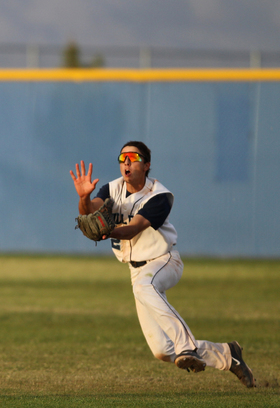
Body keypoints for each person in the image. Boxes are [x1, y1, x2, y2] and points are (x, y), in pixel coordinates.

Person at [69, 141, 255, 388]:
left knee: (145, 287)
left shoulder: (160, 195)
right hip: (136, 270)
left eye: (133, 157)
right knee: (161, 350)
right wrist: (84, 197)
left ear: (146, 165)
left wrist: (106, 231)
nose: (126, 161)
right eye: (122, 157)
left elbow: (134, 228)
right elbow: (89, 212)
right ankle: (228, 355)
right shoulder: (111, 188)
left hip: (164, 260)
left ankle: (187, 346)